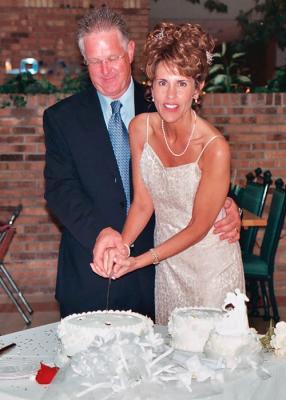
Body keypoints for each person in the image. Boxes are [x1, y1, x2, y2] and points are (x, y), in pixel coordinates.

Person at [43, 7, 241, 320]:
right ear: (85, 62)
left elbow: (196, 167)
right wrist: (103, 235)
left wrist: (227, 206)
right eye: (95, 61)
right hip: (91, 274)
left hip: (160, 270)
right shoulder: (61, 119)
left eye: (113, 58)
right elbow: (59, 189)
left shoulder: (167, 101)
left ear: (131, 51)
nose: (105, 70)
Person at [92, 22, 245, 325]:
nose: (170, 95)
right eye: (162, 83)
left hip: (210, 267)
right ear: (151, 85)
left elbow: (198, 227)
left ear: (198, 88)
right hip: (169, 270)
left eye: (182, 83)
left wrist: (139, 261)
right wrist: (122, 247)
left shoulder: (214, 147)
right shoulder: (140, 128)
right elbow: (143, 204)